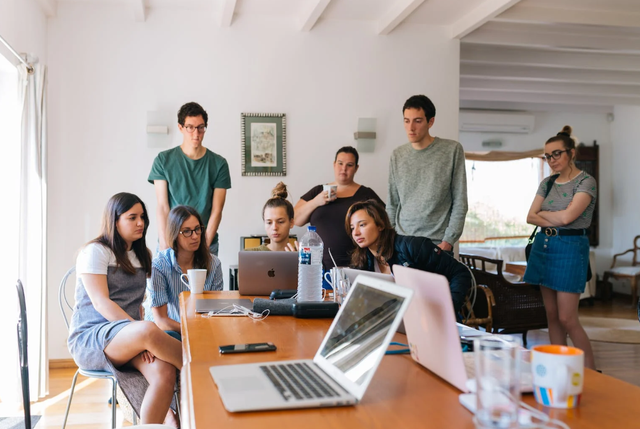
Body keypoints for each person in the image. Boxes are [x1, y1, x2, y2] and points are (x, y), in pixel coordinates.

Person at [68, 193, 181, 425]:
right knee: (149, 330)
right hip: (92, 338)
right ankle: (204, 372)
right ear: (115, 220)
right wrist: (140, 334)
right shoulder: (96, 251)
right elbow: (101, 302)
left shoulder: (142, 256)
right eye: (132, 217)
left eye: (143, 217)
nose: (141, 223)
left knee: (165, 373)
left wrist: (139, 336)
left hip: (130, 337)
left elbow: (138, 304)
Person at [524, 126, 597, 369]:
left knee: (568, 318)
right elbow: (530, 217)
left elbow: (568, 219)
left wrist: (546, 214)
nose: (551, 160)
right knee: (552, 317)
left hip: (570, 248)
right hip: (544, 246)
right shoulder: (547, 183)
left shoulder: (586, 182)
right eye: (547, 156)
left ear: (571, 153)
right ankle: (559, 368)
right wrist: (554, 215)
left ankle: (590, 372)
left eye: (557, 154)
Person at [345, 199, 472, 316]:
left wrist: (447, 309)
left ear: (380, 225)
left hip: (431, 319)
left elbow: (460, 272)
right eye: (352, 228)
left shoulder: (413, 247)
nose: (355, 233)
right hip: (397, 321)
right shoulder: (362, 261)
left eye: (362, 225)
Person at [149, 102, 231, 255]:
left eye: (201, 127)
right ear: (181, 127)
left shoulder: (219, 164)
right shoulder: (163, 160)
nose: (196, 133)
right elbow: (162, 206)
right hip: (172, 242)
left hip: (205, 242)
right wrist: (165, 244)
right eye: (190, 127)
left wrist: (204, 247)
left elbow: (217, 210)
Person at [388, 95, 467, 253]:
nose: (411, 128)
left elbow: (460, 201)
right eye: (406, 121)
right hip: (402, 242)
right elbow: (392, 204)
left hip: (437, 245)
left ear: (430, 122)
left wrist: (448, 241)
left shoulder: (451, 150)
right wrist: (389, 240)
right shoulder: (397, 155)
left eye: (417, 121)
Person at [295, 146, 384, 276]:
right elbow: (295, 219)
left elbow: (384, 223)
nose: (344, 169)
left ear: (356, 168)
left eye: (349, 165)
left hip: (358, 266)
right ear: (334, 164)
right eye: (340, 163)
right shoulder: (318, 191)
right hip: (318, 267)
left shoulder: (366, 194)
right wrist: (316, 202)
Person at [145, 205, 223, 340]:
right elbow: (161, 320)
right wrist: (191, 330)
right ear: (174, 234)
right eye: (187, 231)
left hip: (203, 329)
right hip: (169, 331)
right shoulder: (159, 265)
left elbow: (216, 310)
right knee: (172, 337)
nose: (195, 236)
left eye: (197, 229)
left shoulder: (214, 263)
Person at [247, 182, 297, 251]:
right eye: (269, 223)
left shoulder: (300, 256)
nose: (274, 228)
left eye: (280, 222)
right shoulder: (250, 254)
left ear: (291, 222)